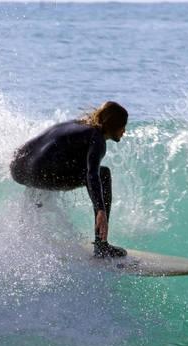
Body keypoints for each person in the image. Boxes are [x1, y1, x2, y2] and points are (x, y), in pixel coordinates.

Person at [10, 101, 128, 258]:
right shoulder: (97, 139)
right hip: (38, 173)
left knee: (57, 165)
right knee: (103, 174)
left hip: (18, 168)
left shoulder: (77, 125)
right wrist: (100, 210)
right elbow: (92, 174)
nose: (124, 131)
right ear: (113, 125)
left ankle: (28, 227)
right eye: (122, 126)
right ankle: (101, 246)